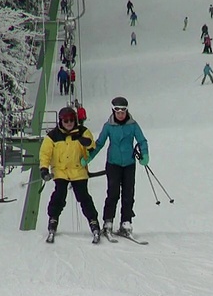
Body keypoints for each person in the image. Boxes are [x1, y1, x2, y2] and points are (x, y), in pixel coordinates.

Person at [84, 97, 149, 238]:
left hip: (129, 164)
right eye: (118, 111)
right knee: (113, 193)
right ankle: (108, 222)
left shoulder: (133, 125)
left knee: (128, 194)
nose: (121, 114)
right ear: (113, 111)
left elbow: (142, 140)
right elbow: (99, 143)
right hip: (113, 164)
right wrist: (89, 157)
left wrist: (145, 154)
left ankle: (126, 222)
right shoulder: (109, 126)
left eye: (123, 111)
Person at [40, 107, 100, 244]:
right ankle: (53, 218)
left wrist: (88, 145)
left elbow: (91, 148)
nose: (69, 123)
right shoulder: (52, 136)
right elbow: (45, 154)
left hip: (78, 170)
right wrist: (44, 169)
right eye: (66, 120)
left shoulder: (83, 132)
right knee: (59, 195)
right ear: (61, 121)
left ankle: (93, 220)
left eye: (72, 120)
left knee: (83, 196)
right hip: (60, 171)